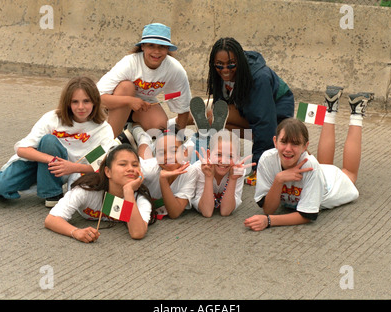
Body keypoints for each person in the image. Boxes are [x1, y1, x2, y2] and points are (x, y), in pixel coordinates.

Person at [0, 76, 117, 208]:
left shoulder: (102, 130)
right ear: (67, 103)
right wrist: (52, 159)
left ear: (95, 101)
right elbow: (22, 149)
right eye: (75, 101)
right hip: (36, 162)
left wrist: (72, 167)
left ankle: (52, 193)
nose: (81, 107)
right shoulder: (53, 118)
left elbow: (101, 164)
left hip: (69, 171)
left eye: (86, 101)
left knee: (86, 186)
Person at [244, 89, 372, 230]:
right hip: (319, 170)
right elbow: (268, 209)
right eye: (283, 142)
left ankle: (356, 113)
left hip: (334, 181)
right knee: (322, 165)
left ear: (305, 146)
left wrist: (269, 221)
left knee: (349, 173)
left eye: (295, 143)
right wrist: (279, 179)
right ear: (275, 142)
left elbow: (306, 216)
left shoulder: (312, 166)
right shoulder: (267, 158)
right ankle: (330, 109)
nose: (287, 148)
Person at [190, 37, 294, 171]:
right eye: (219, 65)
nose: (225, 69)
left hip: (276, 116)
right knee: (212, 118)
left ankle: (291, 145)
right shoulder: (219, 73)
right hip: (248, 110)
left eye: (231, 64)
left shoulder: (259, 78)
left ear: (240, 61)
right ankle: (220, 156)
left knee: (216, 118)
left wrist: (259, 166)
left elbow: (264, 123)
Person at [96, 22, 192, 158]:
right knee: (126, 87)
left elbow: (183, 107)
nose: (156, 52)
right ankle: (99, 155)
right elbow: (97, 97)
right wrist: (129, 101)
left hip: (143, 106)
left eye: (162, 47)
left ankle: (133, 132)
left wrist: (178, 140)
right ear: (142, 46)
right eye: (151, 45)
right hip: (118, 104)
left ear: (168, 49)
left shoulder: (174, 69)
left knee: (158, 126)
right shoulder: (130, 63)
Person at [45, 144, 155, 242]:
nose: (130, 169)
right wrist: (76, 232)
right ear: (108, 172)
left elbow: (137, 233)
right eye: (123, 164)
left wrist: (128, 191)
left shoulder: (139, 197)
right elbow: (52, 219)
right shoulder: (85, 190)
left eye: (135, 165)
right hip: (81, 177)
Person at [191, 130, 255, 217]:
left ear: (238, 157)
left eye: (230, 156)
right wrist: (208, 177)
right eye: (219, 154)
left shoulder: (238, 170)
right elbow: (207, 212)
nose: (224, 161)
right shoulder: (199, 169)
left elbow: (225, 211)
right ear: (209, 154)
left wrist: (233, 179)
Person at [141, 126, 197, 219]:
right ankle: (142, 137)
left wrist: (163, 180)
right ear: (156, 156)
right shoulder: (148, 169)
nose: (168, 157)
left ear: (184, 153)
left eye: (174, 151)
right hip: (147, 163)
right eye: (162, 153)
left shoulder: (190, 172)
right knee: (143, 157)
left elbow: (174, 213)